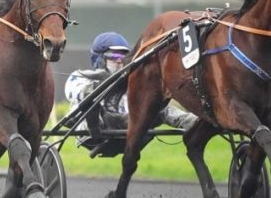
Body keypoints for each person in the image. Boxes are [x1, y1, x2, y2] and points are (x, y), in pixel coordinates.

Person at [65, 32, 197, 152]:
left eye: (124, 56)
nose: (119, 60)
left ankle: (195, 122)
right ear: (100, 59)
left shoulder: (132, 83)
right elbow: (80, 93)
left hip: (128, 127)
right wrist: (107, 82)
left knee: (155, 104)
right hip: (97, 129)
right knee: (91, 101)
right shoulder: (81, 76)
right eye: (114, 56)